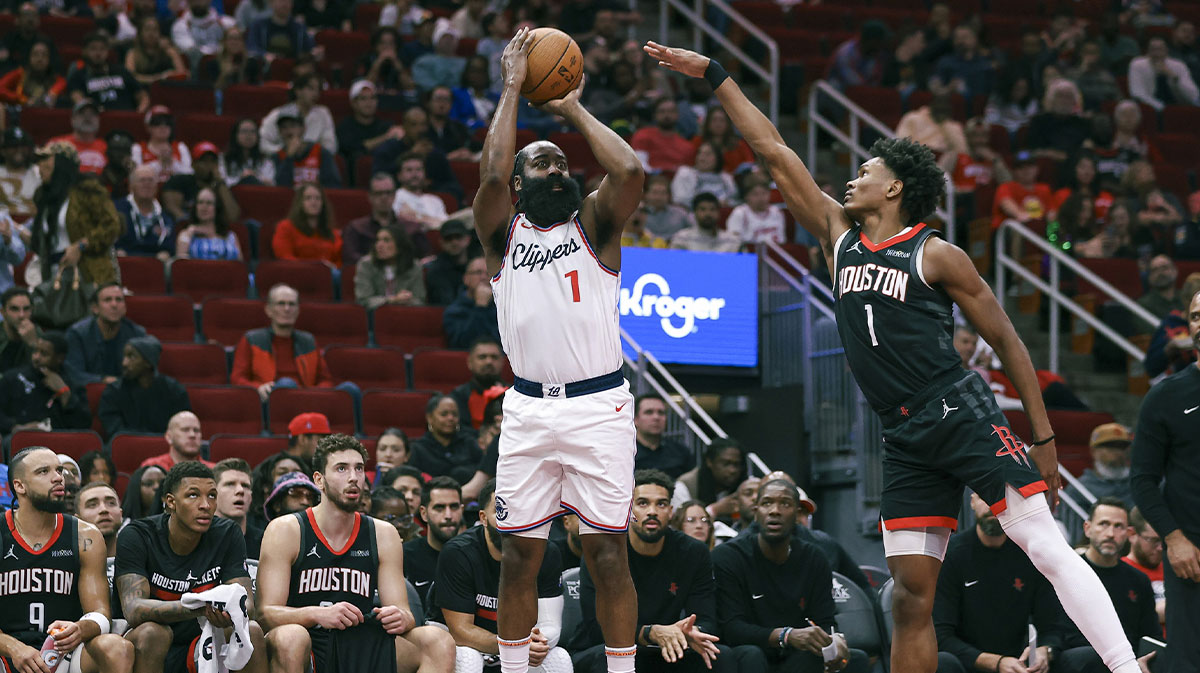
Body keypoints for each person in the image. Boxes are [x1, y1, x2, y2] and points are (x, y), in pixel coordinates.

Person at [644, 40, 1145, 673]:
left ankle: (1127, 667)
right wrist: (716, 76)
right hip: (902, 434)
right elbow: (773, 150)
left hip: (957, 413)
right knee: (910, 598)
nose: (852, 178)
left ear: (895, 188)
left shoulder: (936, 254)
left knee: (1045, 546)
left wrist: (1043, 435)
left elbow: (1008, 341)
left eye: (866, 170)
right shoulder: (838, 238)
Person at [474, 27, 645, 673]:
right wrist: (515, 85)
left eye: (562, 163)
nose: (556, 170)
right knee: (520, 555)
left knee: (607, 555)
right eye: (541, 164)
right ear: (520, 184)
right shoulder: (500, 233)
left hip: (598, 406)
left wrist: (570, 106)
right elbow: (490, 171)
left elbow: (628, 169)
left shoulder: (595, 225)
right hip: (526, 412)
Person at [256, 434, 455, 673]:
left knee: (438, 641)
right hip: (308, 642)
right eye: (341, 469)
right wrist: (318, 614)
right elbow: (265, 614)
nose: (353, 478)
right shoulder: (286, 529)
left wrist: (400, 617)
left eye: (359, 469)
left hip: (361, 640)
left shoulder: (384, 533)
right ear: (319, 480)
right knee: (291, 637)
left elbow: (405, 612)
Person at [115, 461, 270, 673]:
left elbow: (247, 606)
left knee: (250, 630)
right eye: (193, 495)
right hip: (151, 642)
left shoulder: (227, 533)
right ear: (171, 502)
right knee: (152, 632)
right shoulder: (138, 535)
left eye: (212, 496)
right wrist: (200, 607)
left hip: (204, 637)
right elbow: (133, 609)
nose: (205, 505)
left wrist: (226, 611)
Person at [575, 469, 726, 673]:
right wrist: (650, 632)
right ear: (628, 508)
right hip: (601, 648)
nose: (652, 511)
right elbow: (598, 628)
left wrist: (691, 632)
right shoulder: (603, 550)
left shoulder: (693, 552)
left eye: (661, 504)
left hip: (666, 645)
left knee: (722, 656)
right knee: (615, 657)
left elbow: (706, 619)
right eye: (643, 503)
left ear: (671, 512)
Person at [2, 447, 135, 673]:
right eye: (44, 471)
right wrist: (13, 647)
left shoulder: (86, 535)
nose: (58, 478)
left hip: (65, 651)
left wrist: (81, 628)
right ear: (19, 486)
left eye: (59, 470)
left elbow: (100, 613)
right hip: (7, 652)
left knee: (116, 648)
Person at [711, 478, 859, 673]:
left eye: (785, 504)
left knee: (850, 659)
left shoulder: (814, 557)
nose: (775, 510)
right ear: (756, 513)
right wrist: (785, 635)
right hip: (747, 650)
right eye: (766, 503)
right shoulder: (729, 556)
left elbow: (825, 620)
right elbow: (731, 628)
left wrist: (833, 643)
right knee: (751, 655)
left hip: (793, 652)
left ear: (797, 515)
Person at [1131, 288, 1200, 671]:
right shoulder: (1166, 397)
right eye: (1194, 316)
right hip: (1192, 553)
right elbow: (1141, 480)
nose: (1199, 323)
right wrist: (1174, 541)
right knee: (1189, 661)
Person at [435, 478, 571, 672]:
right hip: (462, 643)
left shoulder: (547, 552)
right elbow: (461, 632)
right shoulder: (458, 553)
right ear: (483, 517)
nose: (511, 523)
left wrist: (536, 643)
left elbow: (550, 623)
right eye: (501, 512)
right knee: (468, 660)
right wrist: (515, 646)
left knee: (559, 659)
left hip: (516, 643)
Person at [932, 492, 1069, 673]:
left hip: (1019, 665)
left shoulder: (1030, 554)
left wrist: (1045, 650)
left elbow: (1052, 626)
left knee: (1085, 658)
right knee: (943, 662)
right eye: (985, 496)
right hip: (966, 665)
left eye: (1002, 499)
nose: (993, 505)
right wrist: (996, 662)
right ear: (973, 502)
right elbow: (941, 637)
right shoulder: (951, 556)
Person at [1055, 498, 1159, 673]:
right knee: (1095, 657)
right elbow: (1053, 629)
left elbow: (1151, 635)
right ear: (1087, 528)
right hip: (1075, 659)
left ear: (1128, 533)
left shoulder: (1138, 580)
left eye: (1118, 526)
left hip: (1127, 662)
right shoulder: (1066, 573)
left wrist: (1144, 659)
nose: (1110, 533)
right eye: (1104, 524)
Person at [230, 284, 352, 402]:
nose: (287, 309)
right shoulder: (252, 339)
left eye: (292, 304)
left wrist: (313, 393)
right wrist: (258, 388)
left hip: (307, 397)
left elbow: (325, 380)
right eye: (281, 303)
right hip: (271, 400)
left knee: (350, 389)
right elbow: (237, 378)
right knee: (286, 383)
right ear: (268, 310)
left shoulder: (309, 341)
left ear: (298, 310)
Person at [30, 142, 122, 286]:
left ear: (61, 164)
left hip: (88, 272)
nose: (40, 166)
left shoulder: (87, 190)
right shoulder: (43, 197)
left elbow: (111, 225)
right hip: (54, 272)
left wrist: (81, 246)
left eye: (45, 160)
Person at [0, 331, 90, 438]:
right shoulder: (12, 378)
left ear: (60, 358)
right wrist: (14, 427)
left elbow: (84, 426)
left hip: (56, 443)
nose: (36, 358)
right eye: (35, 351)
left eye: (44, 354)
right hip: (18, 439)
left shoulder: (73, 384)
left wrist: (64, 394)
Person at [98, 335, 191, 437]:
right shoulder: (113, 392)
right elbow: (117, 433)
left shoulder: (174, 391)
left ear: (148, 362)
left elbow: (181, 431)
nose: (124, 363)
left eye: (131, 357)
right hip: (127, 448)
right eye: (124, 356)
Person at [66, 284, 147, 385]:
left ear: (125, 307)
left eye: (119, 300)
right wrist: (105, 380)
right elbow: (74, 374)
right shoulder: (77, 334)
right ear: (95, 308)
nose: (114, 305)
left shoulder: (137, 333)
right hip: (88, 394)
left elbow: (146, 373)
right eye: (107, 300)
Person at [344, 172, 430, 267]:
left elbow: (424, 258)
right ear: (370, 196)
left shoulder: (411, 228)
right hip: (370, 276)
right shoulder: (356, 228)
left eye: (388, 193)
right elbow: (350, 258)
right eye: (378, 193)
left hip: (404, 276)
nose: (384, 197)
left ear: (394, 195)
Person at [403, 476, 463, 607]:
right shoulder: (405, 556)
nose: (448, 515)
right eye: (439, 508)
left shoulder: (474, 556)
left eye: (454, 507)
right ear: (424, 513)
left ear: (462, 510)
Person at [65, 32, 147, 112]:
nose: (98, 53)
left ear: (107, 51)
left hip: (126, 117)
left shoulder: (121, 71)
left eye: (102, 49)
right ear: (84, 51)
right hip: (97, 120)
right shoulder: (78, 76)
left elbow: (142, 95)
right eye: (93, 49)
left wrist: (140, 111)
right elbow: (78, 98)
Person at [162, 141, 240, 224]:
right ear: (193, 164)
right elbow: (172, 208)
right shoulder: (180, 181)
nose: (209, 165)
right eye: (204, 161)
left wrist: (220, 182)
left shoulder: (221, 187)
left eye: (213, 161)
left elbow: (233, 217)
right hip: (187, 230)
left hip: (214, 231)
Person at [338, 80, 402, 182]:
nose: (369, 103)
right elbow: (358, 148)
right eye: (363, 99)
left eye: (373, 98)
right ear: (353, 103)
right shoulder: (345, 127)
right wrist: (386, 137)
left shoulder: (385, 125)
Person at [260, 73, 338, 156]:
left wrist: (308, 154)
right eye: (311, 88)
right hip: (283, 161)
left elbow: (331, 146)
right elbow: (263, 144)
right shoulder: (278, 113)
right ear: (298, 91)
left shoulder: (323, 113)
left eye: (318, 90)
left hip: (312, 164)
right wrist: (284, 152)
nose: (316, 94)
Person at [409, 394, 481, 484]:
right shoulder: (418, 448)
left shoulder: (469, 442)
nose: (451, 418)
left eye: (454, 414)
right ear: (430, 418)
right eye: (444, 414)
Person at [273, 183, 343, 268]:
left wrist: (332, 268)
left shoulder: (331, 231)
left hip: (329, 276)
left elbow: (340, 260)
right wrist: (314, 266)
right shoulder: (285, 227)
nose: (313, 202)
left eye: (318, 198)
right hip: (298, 274)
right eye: (308, 198)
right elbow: (285, 257)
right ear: (300, 203)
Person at [355, 224, 426, 309]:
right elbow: (363, 299)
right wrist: (392, 300)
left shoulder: (414, 266)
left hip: (405, 315)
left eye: (386, 240)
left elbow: (420, 300)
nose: (379, 245)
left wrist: (408, 299)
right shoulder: (366, 265)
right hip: (375, 316)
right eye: (378, 240)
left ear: (400, 244)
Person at [673, 439, 746, 518]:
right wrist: (714, 510)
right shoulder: (685, 484)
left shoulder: (744, 486)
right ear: (709, 462)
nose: (732, 470)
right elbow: (680, 522)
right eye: (726, 464)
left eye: (737, 465)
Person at [115, 165, 175, 260]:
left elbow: (169, 248)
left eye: (151, 180)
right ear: (131, 186)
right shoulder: (116, 210)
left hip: (155, 268)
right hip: (123, 265)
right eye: (142, 180)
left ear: (156, 186)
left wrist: (166, 253)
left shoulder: (166, 217)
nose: (147, 184)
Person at [449, 336, 507, 430]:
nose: (489, 361)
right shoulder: (458, 397)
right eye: (482, 357)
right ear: (470, 362)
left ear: (502, 362)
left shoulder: (514, 395)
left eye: (494, 357)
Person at [1128, 36, 1200, 111]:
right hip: (1150, 107)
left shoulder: (1178, 65)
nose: (1157, 53)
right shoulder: (1137, 65)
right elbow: (1137, 93)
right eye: (1153, 49)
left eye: (1160, 49)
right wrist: (1162, 108)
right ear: (1147, 51)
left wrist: (1174, 77)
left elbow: (1193, 94)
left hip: (1177, 107)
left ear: (1166, 50)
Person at [443, 255, 500, 348]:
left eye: (489, 273)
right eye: (478, 272)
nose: (483, 277)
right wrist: (481, 306)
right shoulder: (454, 311)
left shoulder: (505, 308)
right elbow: (465, 343)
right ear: (466, 279)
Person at [213, 458, 265, 558]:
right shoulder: (196, 540)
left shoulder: (265, 543)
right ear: (213, 494)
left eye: (245, 486)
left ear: (251, 496)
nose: (240, 490)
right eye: (230, 484)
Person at [633, 394, 693, 480]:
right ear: (635, 419)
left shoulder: (681, 452)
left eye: (661, 413)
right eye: (649, 412)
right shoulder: (625, 452)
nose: (656, 417)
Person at [1123, 507, 1166, 626]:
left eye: (1164, 540)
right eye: (1153, 540)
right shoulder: (1121, 571)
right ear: (1132, 534)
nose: (1160, 547)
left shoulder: (1174, 568)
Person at [175, 186, 243, 260]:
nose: (204, 207)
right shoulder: (186, 234)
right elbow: (181, 265)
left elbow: (239, 267)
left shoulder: (231, 236)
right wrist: (191, 231)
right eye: (200, 202)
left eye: (209, 203)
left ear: (217, 207)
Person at [992, 151, 1055, 230]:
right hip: (1011, 234)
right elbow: (1007, 204)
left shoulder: (1044, 189)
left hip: (1039, 233)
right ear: (1013, 171)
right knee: (1016, 226)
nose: (1026, 170)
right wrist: (1020, 214)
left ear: (1037, 168)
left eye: (1029, 166)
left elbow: (1051, 213)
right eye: (1020, 167)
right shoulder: (1006, 187)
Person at [894, 93, 968, 158]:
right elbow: (900, 143)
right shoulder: (912, 118)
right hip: (915, 158)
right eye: (939, 102)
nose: (941, 106)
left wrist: (945, 124)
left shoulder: (954, 126)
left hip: (941, 165)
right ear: (931, 104)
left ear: (950, 108)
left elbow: (963, 152)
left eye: (945, 104)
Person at [631, 98, 695, 173]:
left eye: (671, 111)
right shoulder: (643, 135)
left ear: (677, 115)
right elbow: (639, 166)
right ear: (655, 115)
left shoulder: (687, 147)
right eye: (662, 111)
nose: (666, 115)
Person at [132, 106, 192, 182]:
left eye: (167, 122)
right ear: (148, 127)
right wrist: (159, 164)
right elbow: (136, 176)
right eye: (157, 122)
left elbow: (190, 175)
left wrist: (173, 164)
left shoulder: (180, 147)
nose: (163, 126)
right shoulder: (138, 148)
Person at [139, 411, 213, 471]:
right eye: (185, 430)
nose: (192, 435)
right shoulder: (152, 467)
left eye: (196, 430)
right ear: (169, 437)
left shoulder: (213, 470)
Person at [671, 141, 738, 208]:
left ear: (718, 158)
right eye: (700, 153)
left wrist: (727, 203)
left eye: (708, 154)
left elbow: (734, 200)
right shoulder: (685, 173)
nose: (702, 158)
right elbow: (680, 201)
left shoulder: (726, 178)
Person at [125, 16, 188, 86]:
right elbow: (130, 77)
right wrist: (157, 78)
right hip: (143, 90)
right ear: (140, 33)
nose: (151, 33)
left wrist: (171, 52)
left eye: (155, 30)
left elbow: (182, 74)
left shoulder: (168, 51)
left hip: (166, 90)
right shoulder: (133, 53)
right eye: (147, 29)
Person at [423, 219, 474, 306]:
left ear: (467, 239)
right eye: (448, 239)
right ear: (441, 243)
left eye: (458, 237)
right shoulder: (436, 271)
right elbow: (447, 303)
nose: (454, 242)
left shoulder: (478, 266)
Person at [393, 152, 448, 232]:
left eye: (419, 169)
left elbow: (446, 225)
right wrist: (433, 221)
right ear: (399, 176)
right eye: (409, 170)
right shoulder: (394, 197)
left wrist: (419, 218)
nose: (415, 174)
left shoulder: (435, 200)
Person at [246, 0, 315, 61]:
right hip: (267, 69)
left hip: (293, 70)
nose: (285, 4)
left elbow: (309, 49)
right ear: (271, 3)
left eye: (289, 1)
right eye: (281, 0)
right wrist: (264, 55)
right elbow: (252, 48)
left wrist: (314, 53)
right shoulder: (259, 26)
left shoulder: (299, 28)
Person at [670, 193, 741, 252]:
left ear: (719, 213)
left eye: (712, 209)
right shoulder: (682, 239)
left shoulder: (733, 241)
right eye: (702, 209)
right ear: (694, 213)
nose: (708, 214)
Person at [725, 178, 786, 245]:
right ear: (746, 196)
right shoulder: (740, 213)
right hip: (750, 253)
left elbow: (782, 239)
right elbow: (733, 241)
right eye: (755, 194)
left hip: (775, 252)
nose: (761, 198)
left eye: (764, 193)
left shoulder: (776, 212)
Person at [0, 127, 40, 221]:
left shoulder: (38, 172)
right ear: (3, 151)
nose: (19, 150)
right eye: (13, 146)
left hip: (33, 224)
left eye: (23, 146)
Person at [76, 480, 123, 560]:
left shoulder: (140, 555)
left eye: (111, 503)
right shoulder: (68, 563)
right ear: (78, 519)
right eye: (92, 505)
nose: (104, 509)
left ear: (121, 514)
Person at [638, 175, 691, 243]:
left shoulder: (680, 213)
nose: (659, 197)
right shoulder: (638, 213)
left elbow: (695, 229)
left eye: (663, 193)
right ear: (646, 194)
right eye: (655, 193)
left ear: (669, 196)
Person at [222, 118, 275, 187]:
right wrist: (241, 178)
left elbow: (271, 183)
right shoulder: (224, 159)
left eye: (253, 131)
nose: (248, 135)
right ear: (235, 135)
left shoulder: (266, 161)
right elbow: (222, 181)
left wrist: (255, 177)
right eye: (244, 131)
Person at [0, 287, 39, 373]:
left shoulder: (38, 334)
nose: (21, 315)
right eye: (14, 309)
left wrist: (33, 344)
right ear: (3, 312)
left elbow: (43, 372)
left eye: (26, 309)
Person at [1138, 255, 1178, 322]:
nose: (1160, 273)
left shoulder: (1188, 299)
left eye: (1164, 268)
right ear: (1149, 277)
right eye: (1155, 270)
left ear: (1175, 271)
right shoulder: (1142, 305)